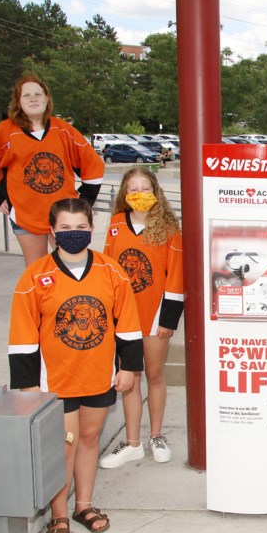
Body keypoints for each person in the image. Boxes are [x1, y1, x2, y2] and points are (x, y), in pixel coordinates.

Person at [8, 198, 142, 533]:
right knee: (63, 446)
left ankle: (83, 505)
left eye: (80, 227)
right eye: (65, 228)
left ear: (91, 229)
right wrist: (25, 385)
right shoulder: (35, 276)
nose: (73, 234)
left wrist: (128, 367)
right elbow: (22, 334)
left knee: (88, 440)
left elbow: (127, 325)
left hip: (97, 376)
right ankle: (59, 514)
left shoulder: (112, 271)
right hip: (56, 381)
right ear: (51, 232)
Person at [99, 168, 183, 469]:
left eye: (144, 188)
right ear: (123, 192)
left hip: (154, 315)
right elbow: (107, 269)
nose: (138, 194)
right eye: (132, 188)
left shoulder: (169, 228)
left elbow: (175, 276)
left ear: (156, 191)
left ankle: (156, 435)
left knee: (155, 375)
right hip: (124, 317)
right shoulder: (116, 224)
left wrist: (168, 319)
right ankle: (132, 442)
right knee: (129, 378)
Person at [0, 74, 105, 267]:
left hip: (63, 214)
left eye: (38, 94)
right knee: (37, 268)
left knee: (71, 266)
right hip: (26, 214)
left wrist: (84, 200)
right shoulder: (6, 131)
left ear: (46, 98)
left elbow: (92, 163)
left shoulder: (63, 129)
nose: (33, 98)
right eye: (26, 95)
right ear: (18, 101)